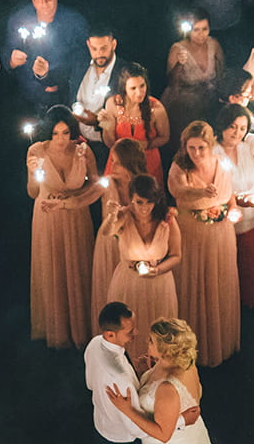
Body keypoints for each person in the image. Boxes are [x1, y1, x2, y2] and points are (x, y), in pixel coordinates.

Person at [28, 106, 102, 348]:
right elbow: (32, 193)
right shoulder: (36, 151)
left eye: (65, 133)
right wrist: (32, 173)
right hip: (46, 217)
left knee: (77, 266)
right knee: (52, 268)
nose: (61, 139)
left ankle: (80, 328)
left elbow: (97, 186)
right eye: (55, 133)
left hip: (76, 216)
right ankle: (56, 329)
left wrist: (74, 200)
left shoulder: (83, 151)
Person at [167, 123, 240, 366]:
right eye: (191, 148)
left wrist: (233, 207)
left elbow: (229, 192)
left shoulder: (222, 163)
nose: (196, 153)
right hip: (192, 233)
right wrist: (201, 194)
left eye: (201, 148)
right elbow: (179, 193)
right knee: (194, 281)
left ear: (211, 145)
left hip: (220, 234)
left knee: (218, 281)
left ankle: (219, 338)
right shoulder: (180, 166)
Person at [101, 175, 180, 360]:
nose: (144, 208)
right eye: (139, 202)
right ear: (131, 199)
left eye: (149, 202)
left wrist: (158, 270)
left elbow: (177, 255)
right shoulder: (123, 216)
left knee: (158, 332)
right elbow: (107, 232)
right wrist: (112, 215)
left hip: (160, 284)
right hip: (129, 283)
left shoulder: (167, 219)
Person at [215, 105, 254, 312]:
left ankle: (251, 303)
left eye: (242, 128)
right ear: (222, 125)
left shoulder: (250, 142)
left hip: (253, 219)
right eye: (232, 127)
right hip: (224, 221)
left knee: (250, 265)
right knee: (225, 267)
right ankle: (227, 307)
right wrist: (234, 201)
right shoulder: (212, 151)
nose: (237, 133)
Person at [6, 0, 90, 110]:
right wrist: (11, 61)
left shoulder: (74, 22)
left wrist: (54, 78)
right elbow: (7, 51)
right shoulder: (19, 19)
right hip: (30, 99)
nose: (44, 3)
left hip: (64, 97)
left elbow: (82, 61)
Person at [91, 138, 149, 329]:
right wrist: (62, 203)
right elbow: (83, 197)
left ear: (129, 162)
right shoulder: (106, 184)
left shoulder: (144, 185)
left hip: (133, 245)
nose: (112, 165)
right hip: (109, 243)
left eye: (116, 161)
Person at [86, 302, 143, 444]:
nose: (136, 333)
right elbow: (136, 427)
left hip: (101, 423)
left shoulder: (94, 343)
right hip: (123, 438)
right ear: (110, 334)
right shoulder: (119, 376)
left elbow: (90, 384)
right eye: (130, 331)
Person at [98, 64, 169, 182]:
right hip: (118, 163)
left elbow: (165, 137)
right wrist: (105, 125)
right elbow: (110, 143)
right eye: (133, 88)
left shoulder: (156, 108)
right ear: (124, 88)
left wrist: (145, 145)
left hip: (147, 164)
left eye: (142, 86)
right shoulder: (112, 104)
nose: (139, 92)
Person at [162, 12, 226, 142]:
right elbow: (172, 81)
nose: (201, 34)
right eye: (196, 30)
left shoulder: (214, 44)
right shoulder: (177, 49)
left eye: (204, 29)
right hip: (184, 102)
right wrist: (180, 64)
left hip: (209, 100)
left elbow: (221, 72)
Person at [73, 24, 131, 158]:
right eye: (94, 49)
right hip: (78, 145)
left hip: (108, 149)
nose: (99, 54)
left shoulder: (125, 73)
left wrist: (97, 122)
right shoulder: (79, 66)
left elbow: (130, 116)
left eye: (104, 48)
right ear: (88, 45)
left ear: (114, 44)